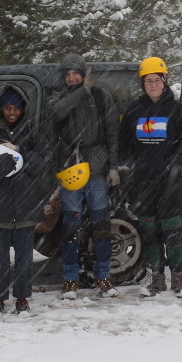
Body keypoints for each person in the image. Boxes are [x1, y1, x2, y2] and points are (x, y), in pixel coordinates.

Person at [0, 85, 52, 315]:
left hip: (26, 207)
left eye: (16, 107)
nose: (12, 112)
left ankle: (22, 299)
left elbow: (42, 162)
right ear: (0, 109)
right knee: (0, 259)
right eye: (8, 107)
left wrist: (18, 151)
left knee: (25, 260)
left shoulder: (32, 134)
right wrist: (0, 165)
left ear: (23, 109)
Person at [118, 56, 182, 296]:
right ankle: (157, 275)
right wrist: (132, 165)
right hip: (142, 179)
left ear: (164, 82)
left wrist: (173, 165)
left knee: (171, 227)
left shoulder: (176, 109)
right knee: (148, 227)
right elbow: (124, 144)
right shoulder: (134, 109)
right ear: (143, 83)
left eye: (157, 80)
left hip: (169, 179)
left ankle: (178, 276)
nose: (153, 85)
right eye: (148, 81)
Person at [48, 53, 120, 299]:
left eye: (75, 73)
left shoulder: (101, 97)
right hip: (70, 166)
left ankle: (103, 275)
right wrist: (80, 91)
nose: (71, 78)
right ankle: (70, 278)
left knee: (101, 222)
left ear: (83, 73)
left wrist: (113, 166)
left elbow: (112, 131)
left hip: (97, 165)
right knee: (71, 223)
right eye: (67, 74)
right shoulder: (59, 97)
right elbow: (55, 114)